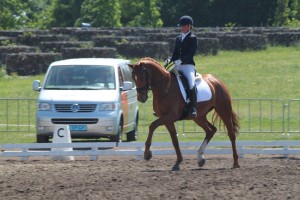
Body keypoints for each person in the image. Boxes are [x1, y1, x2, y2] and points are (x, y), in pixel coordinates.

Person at [166, 15, 198, 118]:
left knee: (191, 84)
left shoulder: (193, 38)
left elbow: (191, 54)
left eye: (184, 26)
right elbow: (174, 53)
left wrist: (181, 60)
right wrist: (169, 59)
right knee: (166, 80)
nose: (182, 28)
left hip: (188, 66)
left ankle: (193, 107)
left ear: (189, 26)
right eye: (181, 26)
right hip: (178, 66)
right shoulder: (178, 38)